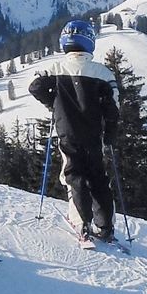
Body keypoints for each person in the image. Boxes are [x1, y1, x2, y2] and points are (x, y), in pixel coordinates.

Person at [28, 19, 121, 243]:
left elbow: (35, 86)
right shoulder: (103, 73)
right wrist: (110, 132)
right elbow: (113, 106)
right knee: (98, 177)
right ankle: (106, 226)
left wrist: (53, 103)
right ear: (90, 41)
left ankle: (82, 224)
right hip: (94, 134)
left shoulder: (56, 68)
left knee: (74, 174)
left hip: (67, 131)